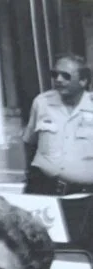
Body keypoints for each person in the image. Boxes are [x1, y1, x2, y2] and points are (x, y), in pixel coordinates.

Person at [22, 54, 93, 252]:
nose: (58, 80)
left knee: (81, 249)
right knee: (36, 248)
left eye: (65, 75)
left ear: (84, 80)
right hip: (44, 189)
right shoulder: (42, 103)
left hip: (84, 196)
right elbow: (29, 142)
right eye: (55, 74)